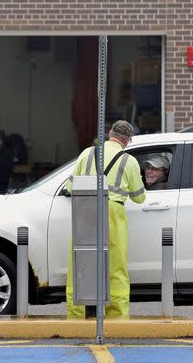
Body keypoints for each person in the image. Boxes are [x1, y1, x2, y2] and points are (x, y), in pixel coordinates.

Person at [65, 120, 146, 320]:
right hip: (113, 212)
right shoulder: (129, 161)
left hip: (85, 209)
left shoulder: (87, 153)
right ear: (127, 141)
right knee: (116, 266)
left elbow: (69, 187)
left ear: (110, 134)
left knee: (79, 263)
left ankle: (76, 315)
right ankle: (116, 316)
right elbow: (139, 197)